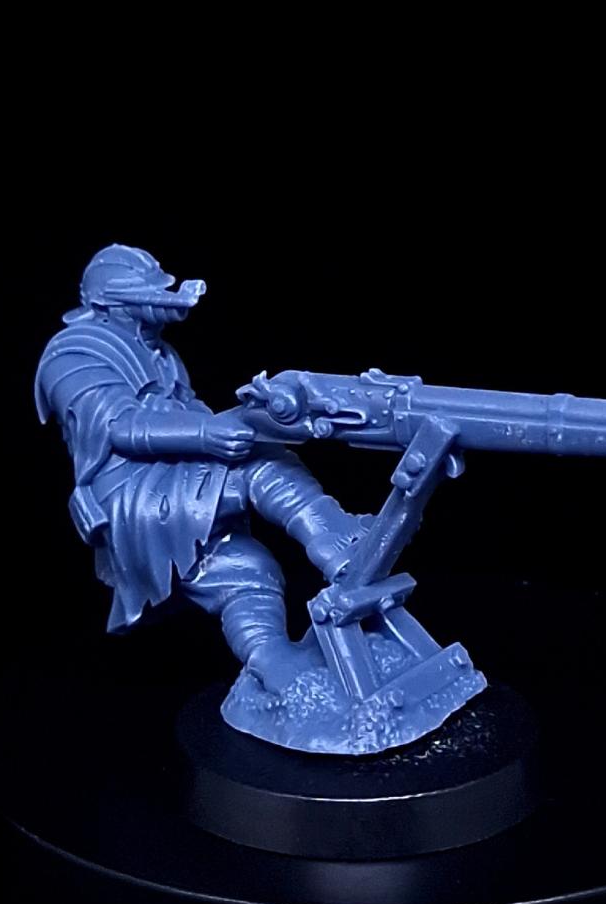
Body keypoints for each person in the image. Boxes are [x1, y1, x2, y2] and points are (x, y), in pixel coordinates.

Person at [35, 243, 367, 697]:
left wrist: (246, 417)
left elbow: (186, 410)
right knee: (258, 465)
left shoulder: (159, 352)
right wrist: (209, 434)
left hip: (172, 473)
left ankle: (275, 660)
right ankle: (332, 539)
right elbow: (120, 426)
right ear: (109, 303)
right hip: (132, 492)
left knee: (244, 565)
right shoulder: (74, 354)